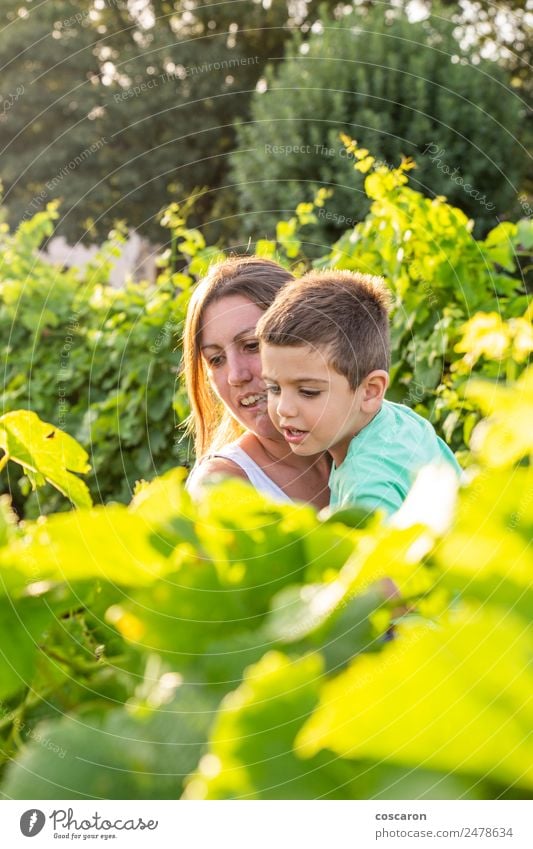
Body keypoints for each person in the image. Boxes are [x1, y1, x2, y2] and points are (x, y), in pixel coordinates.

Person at [257, 269, 461, 515]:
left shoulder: (367, 488)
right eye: (274, 388)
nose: (283, 408)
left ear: (370, 392)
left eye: (308, 392)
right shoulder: (400, 422)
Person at [182, 256, 331, 508]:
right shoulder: (219, 486)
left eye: (252, 346)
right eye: (216, 360)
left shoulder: (373, 446)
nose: (236, 376)